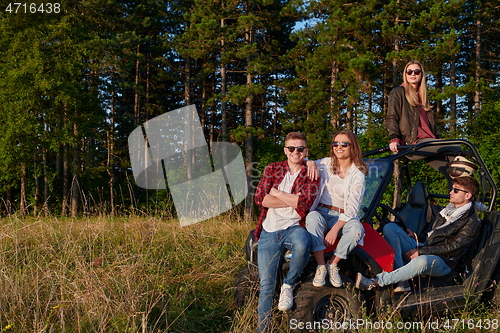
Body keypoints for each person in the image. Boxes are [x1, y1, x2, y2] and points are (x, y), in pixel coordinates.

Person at [355, 176, 480, 292]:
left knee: (422, 261)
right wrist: (416, 237)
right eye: (451, 188)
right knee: (390, 227)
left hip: (445, 261)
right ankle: (402, 281)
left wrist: (421, 251)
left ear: (468, 195)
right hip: (427, 247)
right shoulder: (447, 211)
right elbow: (432, 234)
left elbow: (453, 248)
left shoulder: (472, 221)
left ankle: (376, 281)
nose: (451, 192)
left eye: (456, 190)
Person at [254, 132, 320, 333]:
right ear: (285, 150)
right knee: (266, 284)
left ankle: (289, 285)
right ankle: (263, 329)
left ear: (305, 151)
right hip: (269, 230)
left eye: (300, 149)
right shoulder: (273, 168)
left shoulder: (311, 172)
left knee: (303, 243)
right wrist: (291, 198)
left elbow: (305, 202)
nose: (295, 152)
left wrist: (276, 193)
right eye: (291, 148)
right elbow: (260, 199)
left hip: (294, 227)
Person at [305, 130, 367, 288]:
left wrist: (335, 229)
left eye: (344, 144)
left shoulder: (357, 174)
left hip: (343, 217)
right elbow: (303, 161)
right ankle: (320, 266)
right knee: (311, 218)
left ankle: (332, 264)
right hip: (321, 212)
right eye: (335, 144)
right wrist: (310, 162)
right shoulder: (326, 163)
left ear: (352, 146)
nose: (339, 147)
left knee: (357, 231)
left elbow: (353, 208)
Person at [386, 60, 461, 183]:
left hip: (429, 143)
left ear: (421, 74)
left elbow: (431, 125)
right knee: (455, 146)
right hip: (413, 143)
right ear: (405, 74)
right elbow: (392, 117)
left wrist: (439, 139)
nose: (413, 74)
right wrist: (394, 138)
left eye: (416, 71)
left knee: (455, 176)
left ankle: (459, 199)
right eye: (409, 72)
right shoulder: (398, 92)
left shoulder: (423, 96)